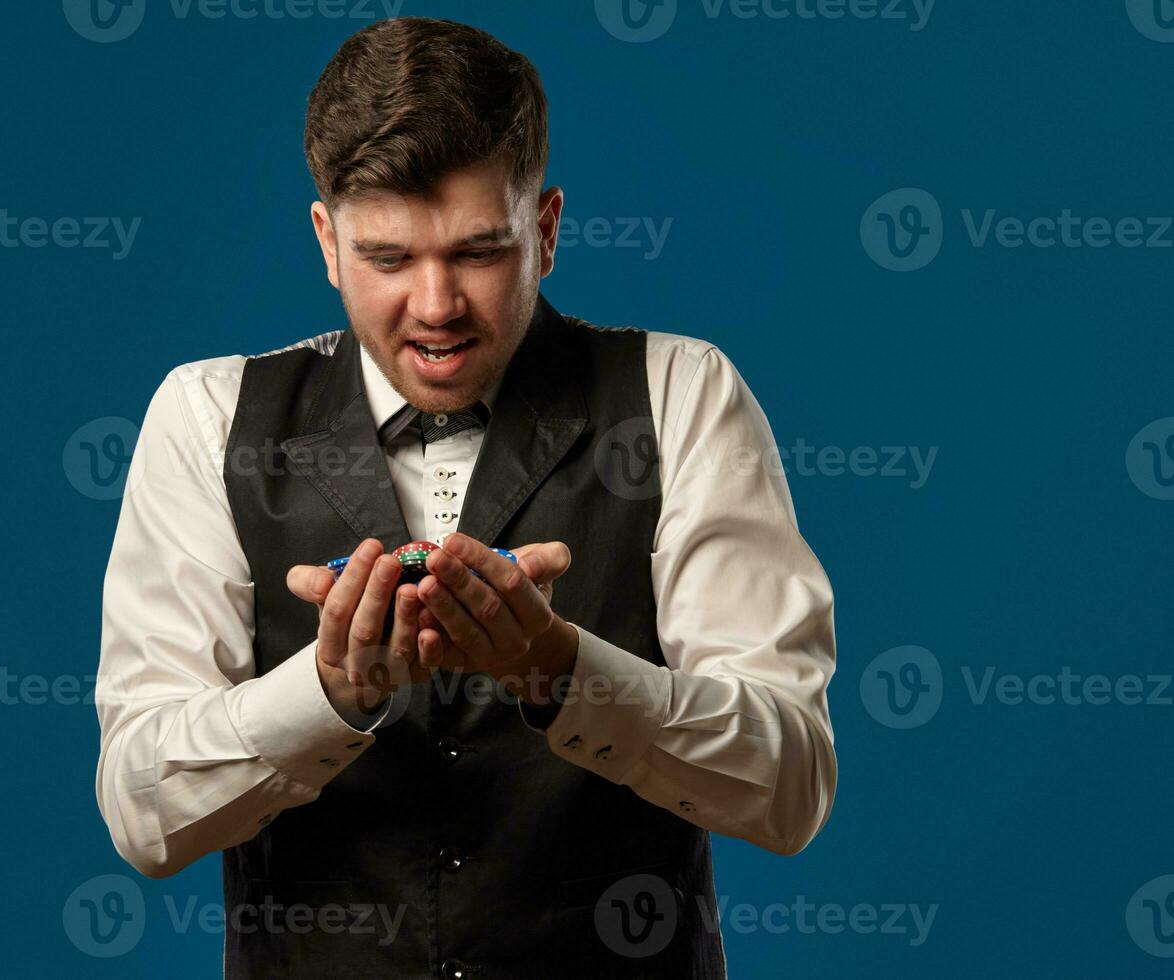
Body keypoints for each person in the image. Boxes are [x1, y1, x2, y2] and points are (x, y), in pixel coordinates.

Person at [95, 16, 836, 978]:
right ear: (327, 242)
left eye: (480, 252)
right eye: (388, 258)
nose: (437, 305)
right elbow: (141, 811)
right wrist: (327, 696)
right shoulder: (205, 418)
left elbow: (789, 787)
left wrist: (561, 672)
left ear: (547, 229)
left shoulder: (681, 395)